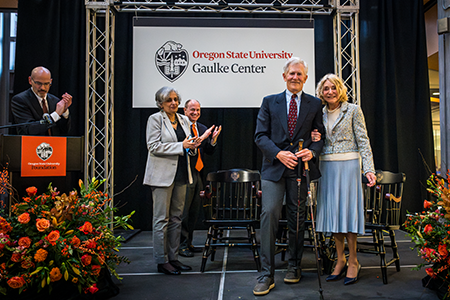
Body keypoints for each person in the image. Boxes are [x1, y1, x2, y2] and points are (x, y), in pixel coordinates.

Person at [253, 57, 325, 296]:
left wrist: (312, 151)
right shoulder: (268, 102)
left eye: (300, 74)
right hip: (274, 168)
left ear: (305, 78)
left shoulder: (315, 104)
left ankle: (294, 266)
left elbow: (319, 136)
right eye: (291, 73)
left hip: (299, 171)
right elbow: (260, 136)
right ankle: (266, 274)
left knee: (297, 218)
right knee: (270, 214)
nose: (295, 77)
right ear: (284, 76)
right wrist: (279, 154)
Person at [312, 73, 376, 285]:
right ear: (321, 92)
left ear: (340, 90)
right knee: (334, 215)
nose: (330, 92)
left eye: (333, 88)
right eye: (326, 88)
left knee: (348, 214)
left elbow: (364, 141)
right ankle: (340, 260)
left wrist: (369, 170)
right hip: (326, 166)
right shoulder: (317, 113)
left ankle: (353, 261)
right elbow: (316, 140)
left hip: (349, 165)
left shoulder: (354, 110)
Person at [143, 87, 211, 275]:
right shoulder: (155, 119)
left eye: (175, 99)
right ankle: (161, 260)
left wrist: (197, 143)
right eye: (168, 100)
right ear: (160, 103)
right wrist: (182, 145)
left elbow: (189, 146)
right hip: (161, 176)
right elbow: (153, 146)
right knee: (161, 220)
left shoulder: (183, 120)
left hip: (182, 173)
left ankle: (173, 258)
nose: (173, 103)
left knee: (176, 218)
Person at [179, 99, 222, 257]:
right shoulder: (181, 128)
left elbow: (209, 152)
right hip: (184, 174)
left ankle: (188, 243)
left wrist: (213, 140)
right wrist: (200, 139)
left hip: (198, 174)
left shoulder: (203, 128)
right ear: (185, 110)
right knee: (183, 212)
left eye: (197, 110)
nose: (195, 113)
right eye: (192, 110)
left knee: (193, 211)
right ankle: (181, 245)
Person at [11, 66, 72, 136]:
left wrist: (64, 112)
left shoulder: (55, 101)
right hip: (31, 145)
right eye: (38, 83)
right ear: (30, 80)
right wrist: (56, 114)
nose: (42, 87)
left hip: (54, 145)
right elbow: (30, 129)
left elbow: (64, 130)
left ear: (51, 82)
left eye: (46, 84)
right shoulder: (20, 100)